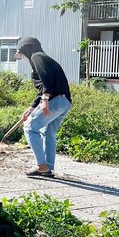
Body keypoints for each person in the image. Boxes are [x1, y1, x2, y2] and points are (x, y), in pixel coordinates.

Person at [15, 37, 72, 177]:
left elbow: (47, 80)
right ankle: (48, 169)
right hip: (65, 102)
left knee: (30, 128)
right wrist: (32, 107)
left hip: (55, 100)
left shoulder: (36, 56)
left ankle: (41, 166)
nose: (22, 57)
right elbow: (43, 87)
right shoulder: (45, 58)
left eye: (21, 53)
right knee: (49, 133)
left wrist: (46, 99)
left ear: (26, 49)